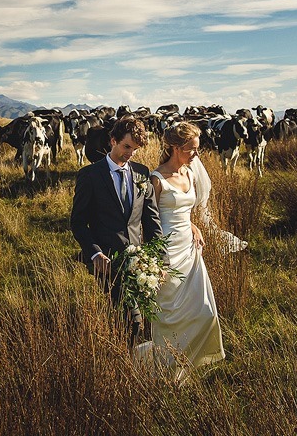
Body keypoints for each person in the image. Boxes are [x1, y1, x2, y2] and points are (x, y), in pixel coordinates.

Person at [139, 121, 226, 377]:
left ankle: (189, 360)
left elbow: (184, 210)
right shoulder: (156, 179)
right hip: (167, 252)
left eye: (197, 149)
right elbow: (148, 220)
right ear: (175, 148)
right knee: (169, 315)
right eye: (191, 149)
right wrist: (153, 260)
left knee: (204, 312)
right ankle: (165, 368)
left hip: (190, 250)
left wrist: (193, 225)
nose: (196, 155)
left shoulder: (189, 173)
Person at [69, 116, 162, 345]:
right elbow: (78, 222)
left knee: (137, 319)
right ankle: (126, 363)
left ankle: (129, 359)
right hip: (107, 263)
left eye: (136, 149)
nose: (130, 154)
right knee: (132, 320)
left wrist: (159, 261)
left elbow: (152, 221)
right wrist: (94, 253)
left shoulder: (142, 173)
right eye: (126, 147)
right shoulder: (89, 176)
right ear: (112, 141)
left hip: (139, 263)